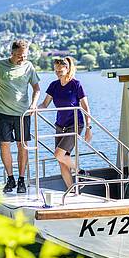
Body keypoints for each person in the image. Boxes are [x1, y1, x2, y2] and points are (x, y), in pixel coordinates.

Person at [0, 39, 40, 194]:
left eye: (24, 55)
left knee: (22, 146)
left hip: (22, 114)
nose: (22, 58)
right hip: (3, 113)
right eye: (19, 55)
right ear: (12, 53)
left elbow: (37, 88)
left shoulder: (28, 66)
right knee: (4, 145)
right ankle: (10, 178)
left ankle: (21, 180)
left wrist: (33, 104)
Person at [39, 57, 92, 188]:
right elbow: (45, 104)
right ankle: (72, 191)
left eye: (60, 71)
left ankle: (81, 172)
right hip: (60, 125)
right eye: (56, 70)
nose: (57, 73)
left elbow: (85, 106)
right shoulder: (54, 85)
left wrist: (88, 127)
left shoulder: (76, 84)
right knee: (61, 161)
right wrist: (33, 109)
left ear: (67, 69)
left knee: (58, 154)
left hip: (74, 124)